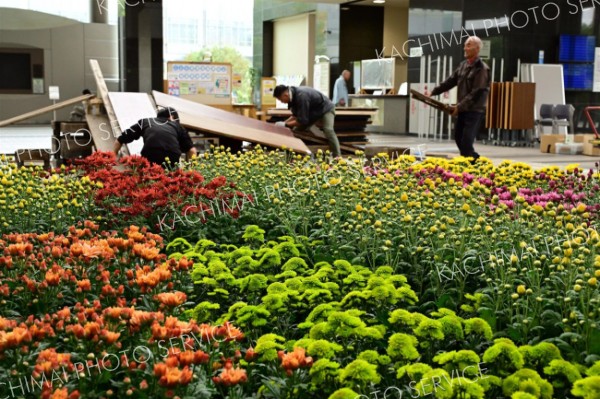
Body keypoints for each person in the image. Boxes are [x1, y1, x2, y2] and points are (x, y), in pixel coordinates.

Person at [429, 36, 490, 162]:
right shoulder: (463, 65)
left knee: (466, 139)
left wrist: (459, 106)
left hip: (474, 110)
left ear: (477, 49)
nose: (465, 48)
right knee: (458, 137)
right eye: (465, 45)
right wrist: (434, 91)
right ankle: (471, 160)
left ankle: (472, 161)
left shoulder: (482, 68)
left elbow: (476, 92)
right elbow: (450, 81)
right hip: (462, 109)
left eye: (468, 45)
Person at [113, 107, 197, 167]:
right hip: (172, 158)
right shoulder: (177, 126)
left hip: (150, 156)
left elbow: (120, 140)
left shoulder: (145, 122)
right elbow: (192, 151)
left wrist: (113, 156)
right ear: (172, 117)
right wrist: (193, 170)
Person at [273, 84, 341, 157]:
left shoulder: (302, 96)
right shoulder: (292, 97)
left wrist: (285, 125)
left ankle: (337, 156)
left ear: (285, 95)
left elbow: (302, 120)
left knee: (328, 129)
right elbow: (295, 116)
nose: (281, 102)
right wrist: (284, 123)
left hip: (326, 109)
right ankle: (297, 154)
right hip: (313, 111)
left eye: (280, 99)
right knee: (296, 131)